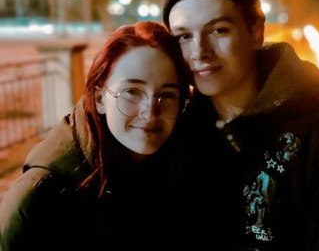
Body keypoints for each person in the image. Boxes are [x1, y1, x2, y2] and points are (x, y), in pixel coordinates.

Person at [162, 0, 319, 250]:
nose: (200, 52)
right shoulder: (177, 133)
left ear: (255, 31)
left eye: (218, 30)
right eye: (184, 36)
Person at [0, 21, 190, 251]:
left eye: (167, 95)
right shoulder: (39, 200)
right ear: (100, 98)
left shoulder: (179, 174)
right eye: (131, 91)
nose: (150, 112)